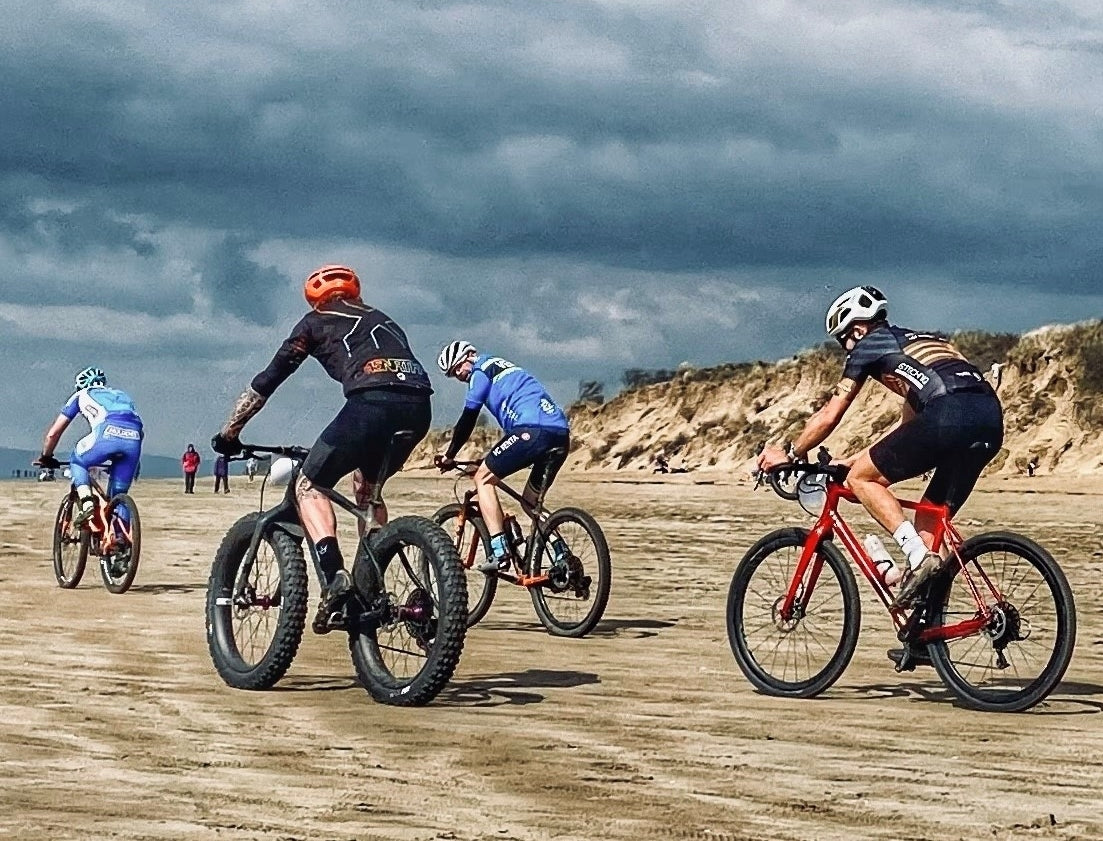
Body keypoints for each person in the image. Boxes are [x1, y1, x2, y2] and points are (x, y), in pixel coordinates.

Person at [211, 264, 433, 633]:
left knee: (309, 484)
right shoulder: (386, 319)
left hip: (370, 405)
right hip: (419, 408)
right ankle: (371, 583)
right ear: (355, 292)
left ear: (314, 299)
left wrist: (230, 431)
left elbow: (267, 380)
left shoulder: (315, 322)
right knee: (367, 490)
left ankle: (334, 577)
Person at [757, 286, 1003, 607]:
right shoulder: (921, 345)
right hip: (989, 415)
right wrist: (854, 459)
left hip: (947, 413)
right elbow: (908, 431)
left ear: (858, 329)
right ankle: (944, 621)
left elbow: (829, 415)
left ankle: (916, 556)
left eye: (843, 340)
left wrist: (791, 454)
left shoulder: (868, 345)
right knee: (929, 521)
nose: (846, 349)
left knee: (861, 480)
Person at [434, 341, 571, 573]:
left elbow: (468, 418)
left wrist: (450, 455)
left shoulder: (480, 371)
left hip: (531, 430)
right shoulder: (504, 367)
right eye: (452, 374)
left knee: (483, 479)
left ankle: (500, 551)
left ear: (470, 355)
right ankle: (562, 554)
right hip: (559, 435)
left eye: (457, 368)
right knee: (530, 501)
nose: (457, 375)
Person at [34, 367, 144, 525]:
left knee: (78, 460)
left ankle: (87, 503)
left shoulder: (81, 395)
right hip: (133, 441)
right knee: (118, 497)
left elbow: (53, 434)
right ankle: (120, 536)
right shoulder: (122, 395)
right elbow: (138, 429)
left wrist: (46, 456)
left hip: (105, 435)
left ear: (80, 385)